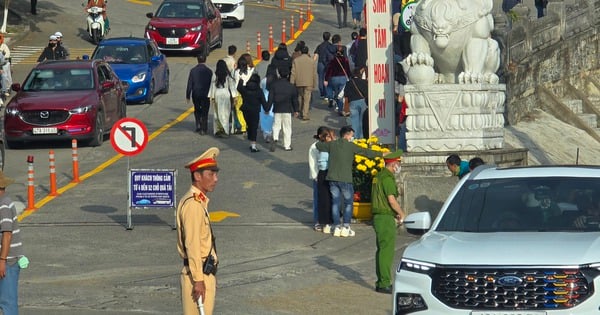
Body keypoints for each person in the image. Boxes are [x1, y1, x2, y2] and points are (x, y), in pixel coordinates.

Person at [316, 126, 385, 237]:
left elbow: (318, 145)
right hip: (345, 179)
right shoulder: (351, 146)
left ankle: (337, 226)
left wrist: (330, 140)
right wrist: (381, 154)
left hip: (332, 178)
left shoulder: (332, 144)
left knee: (335, 202)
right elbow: (366, 152)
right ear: (347, 135)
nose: (352, 137)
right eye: (352, 135)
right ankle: (346, 227)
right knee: (348, 203)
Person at [177, 148, 220, 315]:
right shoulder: (193, 205)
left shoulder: (198, 201)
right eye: (211, 174)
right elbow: (192, 244)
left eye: (216, 174)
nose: (215, 179)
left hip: (203, 272)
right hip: (198, 274)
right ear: (197, 176)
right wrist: (199, 280)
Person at [371, 149, 405, 294]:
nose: (399, 166)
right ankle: (384, 283)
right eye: (398, 163)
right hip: (384, 218)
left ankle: (380, 281)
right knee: (387, 251)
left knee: (381, 250)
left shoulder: (378, 176)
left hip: (378, 216)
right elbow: (391, 200)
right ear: (393, 164)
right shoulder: (387, 178)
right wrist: (401, 213)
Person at [0, 171, 25, 315]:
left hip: (8, 262)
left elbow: (7, 235)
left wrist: (2, 260)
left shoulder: (3, 206)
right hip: (5, 260)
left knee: (8, 302)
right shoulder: (4, 202)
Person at [267, 67, 299, 152]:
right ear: (288, 75)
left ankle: (275, 138)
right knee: (287, 127)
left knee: (276, 125)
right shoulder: (291, 86)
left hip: (277, 108)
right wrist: (296, 110)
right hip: (287, 109)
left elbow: (270, 98)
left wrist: (267, 108)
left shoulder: (274, 85)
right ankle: (287, 145)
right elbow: (295, 100)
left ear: (279, 74)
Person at [309, 126, 332, 232]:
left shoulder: (328, 145)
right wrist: (315, 176)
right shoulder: (314, 147)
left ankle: (328, 219)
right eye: (326, 135)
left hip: (328, 174)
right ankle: (317, 220)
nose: (328, 137)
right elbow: (312, 163)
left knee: (328, 198)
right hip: (319, 175)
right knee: (318, 198)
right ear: (320, 136)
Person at [237, 74, 268, 152]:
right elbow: (264, 102)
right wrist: (266, 109)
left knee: (249, 125)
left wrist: (241, 80)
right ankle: (253, 145)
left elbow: (239, 88)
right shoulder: (259, 91)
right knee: (254, 127)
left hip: (245, 110)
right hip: (255, 111)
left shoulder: (245, 89)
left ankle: (250, 136)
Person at [186, 54, 213, 135]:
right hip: (206, 94)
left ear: (197, 60)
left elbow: (189, 84)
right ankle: (203, 129)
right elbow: (211, 84)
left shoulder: (193, 70)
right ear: (205, 60)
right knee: (205, 111)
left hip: (196, 93)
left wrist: (188, 95)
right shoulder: (209, 71)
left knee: (197, 109)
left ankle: (198, 124)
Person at [208, 60, 236, 137]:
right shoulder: (228, 75)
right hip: (226, 93)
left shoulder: (215, 74)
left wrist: (212, 97)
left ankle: (218, 129)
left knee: (217, 113)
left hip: (217, 93)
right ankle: (225, 130)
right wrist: (234, 97)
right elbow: (232, 87)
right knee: (226, 112)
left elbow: (212, 86)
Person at [290, 45, 317, 121]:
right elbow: (314, 73)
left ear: (301, 52)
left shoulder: (296, 60)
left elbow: (293, 72)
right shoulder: (311, 61)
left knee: (300, 97)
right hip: (309, 82)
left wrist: (292, 82)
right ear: (308, 52)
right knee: (307, 99)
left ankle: (299, 110)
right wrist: (314, 82)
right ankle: (305, 114)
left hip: (299, 82)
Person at [324, 49, 352, 115]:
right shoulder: (345, 60)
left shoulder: (333, 60)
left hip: (334, 79)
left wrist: (326, 79)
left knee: (336, 93)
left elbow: (329, 70)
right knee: (341, 94)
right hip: (343, 78)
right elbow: (348, 70)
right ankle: (340, 109)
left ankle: (335, 102)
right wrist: (350, 77)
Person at [344, 67, 368, 138]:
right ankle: (361, 137)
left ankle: (355, 137)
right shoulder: (364, 82)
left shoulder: (349, 83)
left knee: (354, 121)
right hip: (363, 102)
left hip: (353, 103)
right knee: (361, 121)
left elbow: (346, 94)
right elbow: (367, 93)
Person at [232, 55, 254, 134]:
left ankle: (243, 126)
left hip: (239, 92)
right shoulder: (250, 71)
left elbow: (235, 84)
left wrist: (234, 96)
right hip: (248, 91)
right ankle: (248, 124)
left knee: (239, 110)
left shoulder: (237, 72)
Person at [313, 32, 335, 100]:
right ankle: (328, 94)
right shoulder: (331, 46)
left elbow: (315, 57)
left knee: (320, 78)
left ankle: (322, 93)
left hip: (320, 63)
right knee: (327, 78)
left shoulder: (319, 46)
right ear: (329, 38)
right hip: (328, 64)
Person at [0, 34, 12, 98]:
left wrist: (4, 58)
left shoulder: (3, 46)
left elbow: (7, 53)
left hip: (4, 64)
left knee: (6, 77)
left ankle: (7, 89)